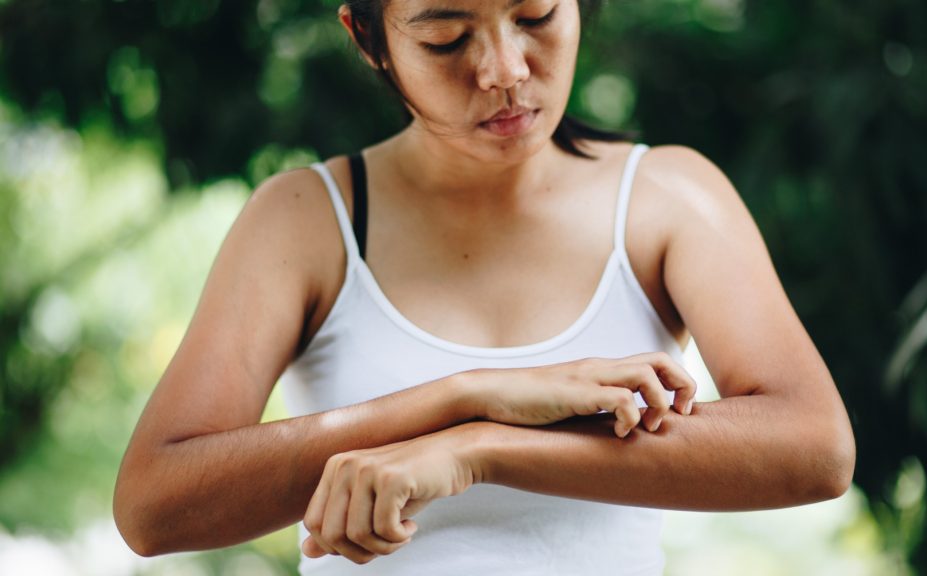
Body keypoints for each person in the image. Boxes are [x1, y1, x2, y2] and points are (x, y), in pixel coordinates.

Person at [113, 0, 856, 574]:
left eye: (535, 15)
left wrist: (481, 449)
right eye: (446, 38)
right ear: (369, 40)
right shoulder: (306, 220)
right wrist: (460, 397)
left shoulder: (668, 197)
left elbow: (813, 448)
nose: (504, 69)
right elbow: (154, 505)